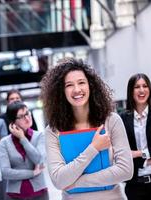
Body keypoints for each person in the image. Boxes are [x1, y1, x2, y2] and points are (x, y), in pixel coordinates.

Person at [40, 57, 133, 200]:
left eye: (81, 82)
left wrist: (77, 182)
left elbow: (126, 171)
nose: (77, 89)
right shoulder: (53, 130)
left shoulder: (111, 120)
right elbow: (58, 180)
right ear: (61, 92)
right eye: (69, 85)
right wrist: (93, 148)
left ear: (91, 85)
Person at [0, 101, 49, 200]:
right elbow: (5, 172)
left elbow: (39, 160)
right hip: (14, 195)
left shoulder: (39, 136)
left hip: (39, 193)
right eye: (21, 116)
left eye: (27, 113)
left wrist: (23, 139)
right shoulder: (4, 142)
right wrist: (32, 173)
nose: (27, 118)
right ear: (13, 122)